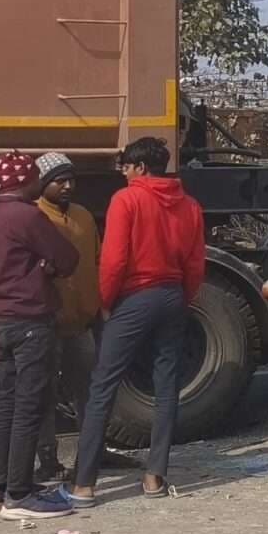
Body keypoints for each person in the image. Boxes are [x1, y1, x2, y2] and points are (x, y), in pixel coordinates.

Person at [73, 136, 207, 500]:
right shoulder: (190, 205)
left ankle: (84, 483)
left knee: (103, 386)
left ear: (141, 168)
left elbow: (114, 258)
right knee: (166, 387)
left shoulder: (127, 199)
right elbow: (196, 262)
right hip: (173, 295)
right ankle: (154, 477)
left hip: (135, 297)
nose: (123, 172)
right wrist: (184, 295)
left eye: (126, 166)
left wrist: (105, 301)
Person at [0, 150, 80, 516]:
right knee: (28, 406)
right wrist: (47, 267)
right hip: (29, 319)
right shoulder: (27, 216)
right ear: (27, 181)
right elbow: (68, 258)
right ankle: (20, 495)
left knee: (5, 404)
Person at [29, 152, 102, 494]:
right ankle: (48, 459)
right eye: (60, 181)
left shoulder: (85, 217)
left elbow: (96, 261)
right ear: (43, 184)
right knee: (43, 394)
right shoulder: (33, 218)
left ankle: (91, 455)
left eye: (71, 179)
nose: (68, 186)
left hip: (82, 320)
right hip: (48, 323)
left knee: (88, 391)